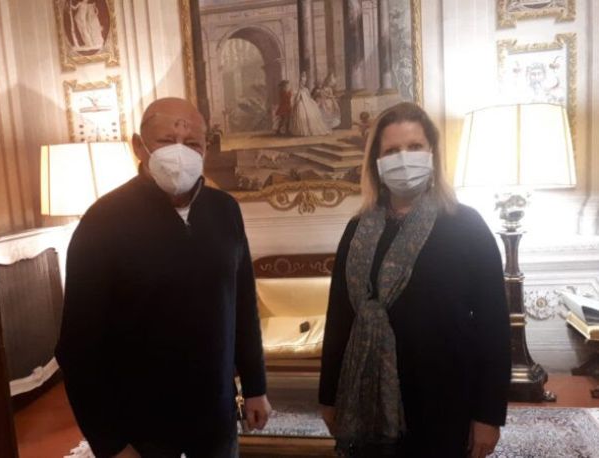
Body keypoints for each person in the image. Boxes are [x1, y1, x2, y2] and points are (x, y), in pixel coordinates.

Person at [55, 97, 271, 458]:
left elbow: (243, 305)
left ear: (206, 149)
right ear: (139, 146)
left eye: (192, 144)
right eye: (166, 141)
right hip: (141, 427)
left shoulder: (225, 211)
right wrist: (109, 443)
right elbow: (77, 346)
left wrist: (255, 386)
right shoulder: (102, 221)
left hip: (215, 418)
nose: (180, 153)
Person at [319, 102, 511, 458]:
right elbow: (339, 318)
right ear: (376, 162)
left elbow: (494, 326)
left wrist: (489, 414)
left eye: (414, 147)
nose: (403, 158)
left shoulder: (466, 225)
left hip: (444, 400)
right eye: (391, 150)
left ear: (432, 153)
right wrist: (329, 396)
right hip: (367, 402)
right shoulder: (357, 229)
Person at [289, 71, 330, 137]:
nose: (302, 83)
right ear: (299, 82)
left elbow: (309, 97)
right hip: (301, 104)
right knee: (301, 115)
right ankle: (301, 131)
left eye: (303, 82)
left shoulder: (306, 90)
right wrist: (297, 100)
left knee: (311, 114)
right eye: (301, 82)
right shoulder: (298, 90)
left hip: (307, 103)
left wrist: (311, 102)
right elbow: (297, 99)